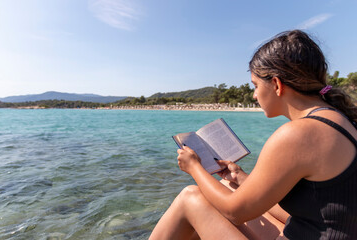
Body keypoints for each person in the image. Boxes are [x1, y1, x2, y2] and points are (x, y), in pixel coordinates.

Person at [149, 30, 357, 240]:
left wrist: (193, 167)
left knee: (190, 198)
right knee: (226, 186)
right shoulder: (341, 120)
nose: (255, 94)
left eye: (255, 85)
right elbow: (319, 211)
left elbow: (235, 213)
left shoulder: (299, 135)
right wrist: (241, 177)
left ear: (276, 84)